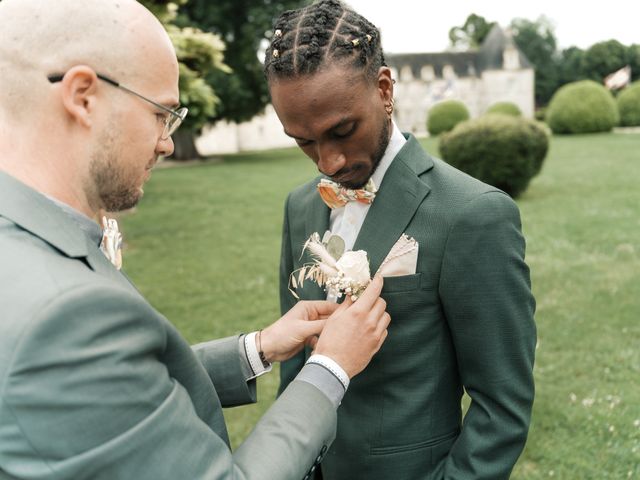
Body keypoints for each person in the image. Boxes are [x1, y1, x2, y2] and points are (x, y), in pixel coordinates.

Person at [0, 1, 392, 479]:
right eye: (162, 112)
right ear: (84, 97)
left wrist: (258, 347)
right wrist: (331, 366)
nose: (167, 141)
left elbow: (110, 390)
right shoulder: (61, 314)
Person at [265, 1, 537, 478]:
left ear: (384, 88)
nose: (327, 162)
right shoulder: (299, 206)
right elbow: (296, 365)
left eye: (342, 130)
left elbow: (503, 406)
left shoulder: (471, 215)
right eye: (303, 140)